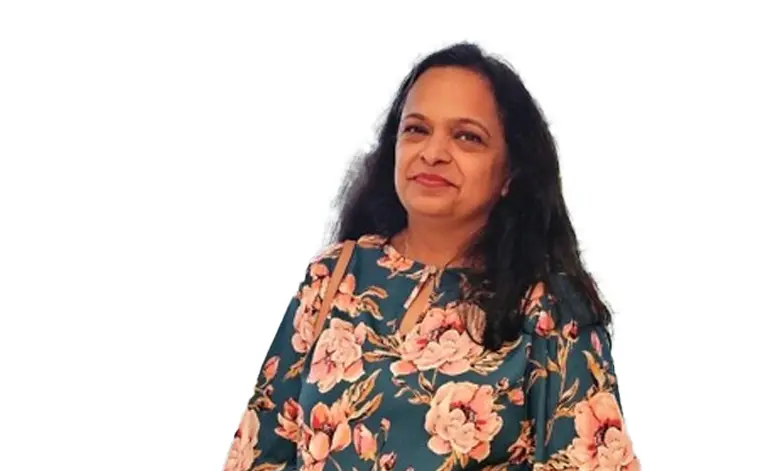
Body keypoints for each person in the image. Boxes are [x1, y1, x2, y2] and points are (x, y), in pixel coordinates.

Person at [223, 42, 639, 471]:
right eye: (416, 129)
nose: (433, 153)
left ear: (510, 174)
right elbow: (259, 453)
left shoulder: (550, 307)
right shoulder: (335, 276)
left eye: (467, 137)